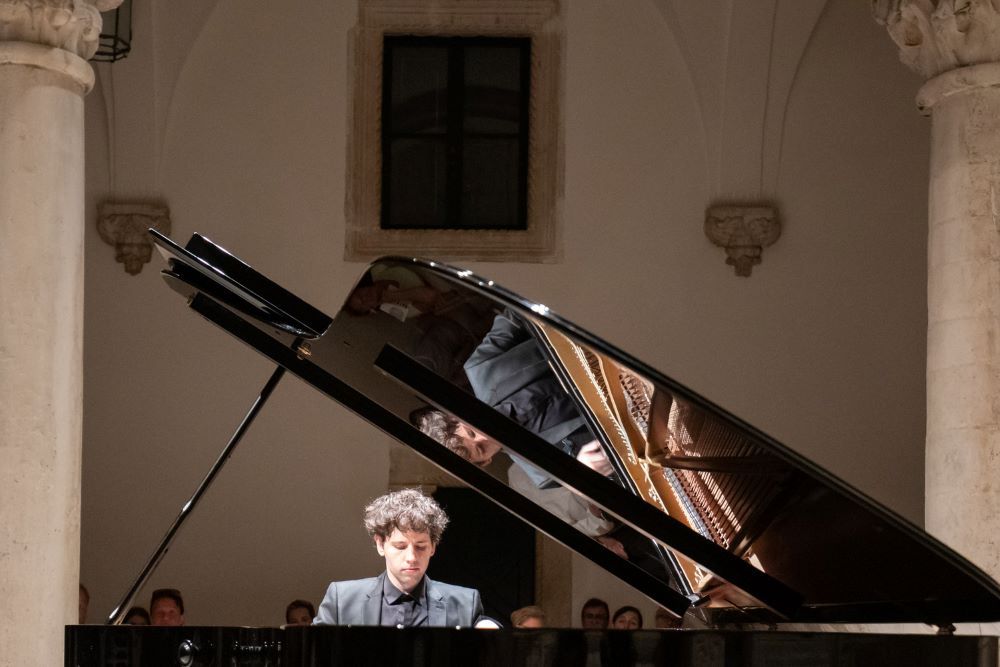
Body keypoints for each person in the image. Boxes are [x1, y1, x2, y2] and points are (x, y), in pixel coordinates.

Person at [313, 488, 490, 627]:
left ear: (433, 547)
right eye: (400, 546)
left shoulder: (465, 603)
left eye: (420, 546)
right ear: (380, 545)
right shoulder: (341, 600)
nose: (411, 557)